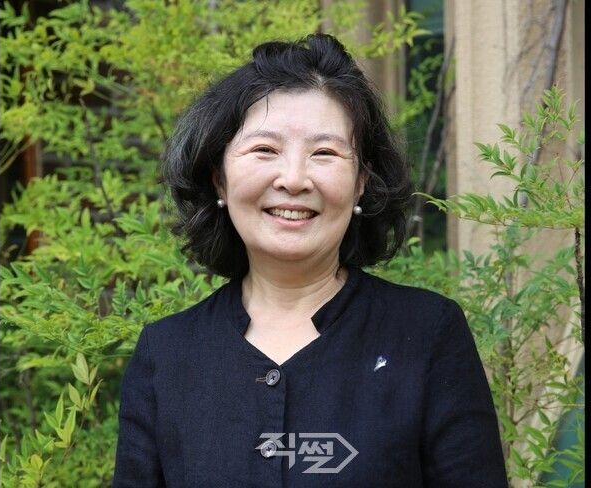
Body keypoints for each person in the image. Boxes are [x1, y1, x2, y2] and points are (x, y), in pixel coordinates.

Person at [112, 34, 508, 487]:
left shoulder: (427, 335)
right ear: (219, 178)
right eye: (265, 150)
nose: (294, 179)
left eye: (324, 153)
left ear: (361, 182)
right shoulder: (166, 354)